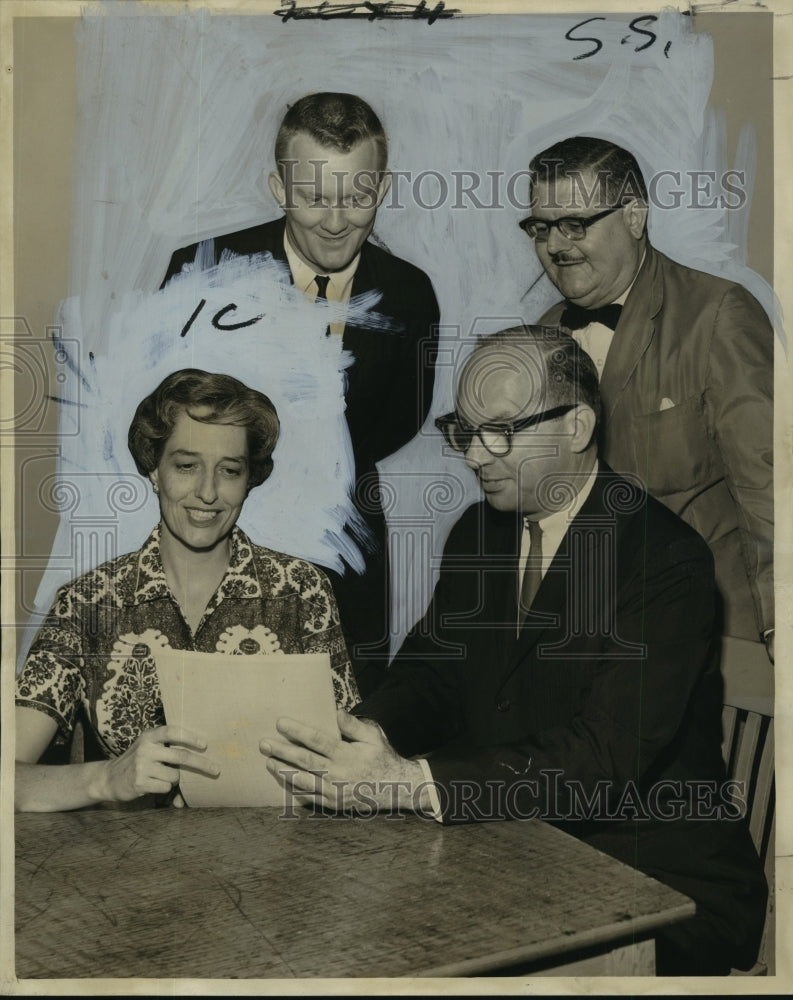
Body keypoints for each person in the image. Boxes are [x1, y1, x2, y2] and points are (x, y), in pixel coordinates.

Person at [260, 327, 767, 977]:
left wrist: (411, 783)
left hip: (654, 882)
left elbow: (599, 760)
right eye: (464, 431)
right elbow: (428, 675)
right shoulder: (480, 530)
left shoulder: (664, 560)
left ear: (577, 425)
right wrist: (362, 735)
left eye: (500, 430)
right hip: (511, 847)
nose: (474, 456)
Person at [162, 92, 440, 696]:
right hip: (210, 541)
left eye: (358, 197)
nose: (337, 222)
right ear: (278, 187)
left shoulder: (410, 294)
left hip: (346, 551)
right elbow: (165, 423)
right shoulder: (203, 270)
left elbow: (400, 422)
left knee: (338, 734)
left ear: (383, 188)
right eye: (315, 198)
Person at [15, 369, 359, 812]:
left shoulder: (301, 592)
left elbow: (351, 760)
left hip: (273, 867)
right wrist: (105, 777)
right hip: (130, 871)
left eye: (229, 471)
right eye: (186, 466)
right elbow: (10, 776)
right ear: (154, 470)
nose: (208, 492)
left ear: (249, 479)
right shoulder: (87, 603)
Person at [521, 136, 773, 661]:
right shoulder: (542, 335)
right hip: (584, 641)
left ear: (634, 216)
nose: (555, 245)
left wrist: (780, 630)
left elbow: (772, 494)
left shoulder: (719, 314)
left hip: (708, 638)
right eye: (541, 227)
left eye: (575, 223)